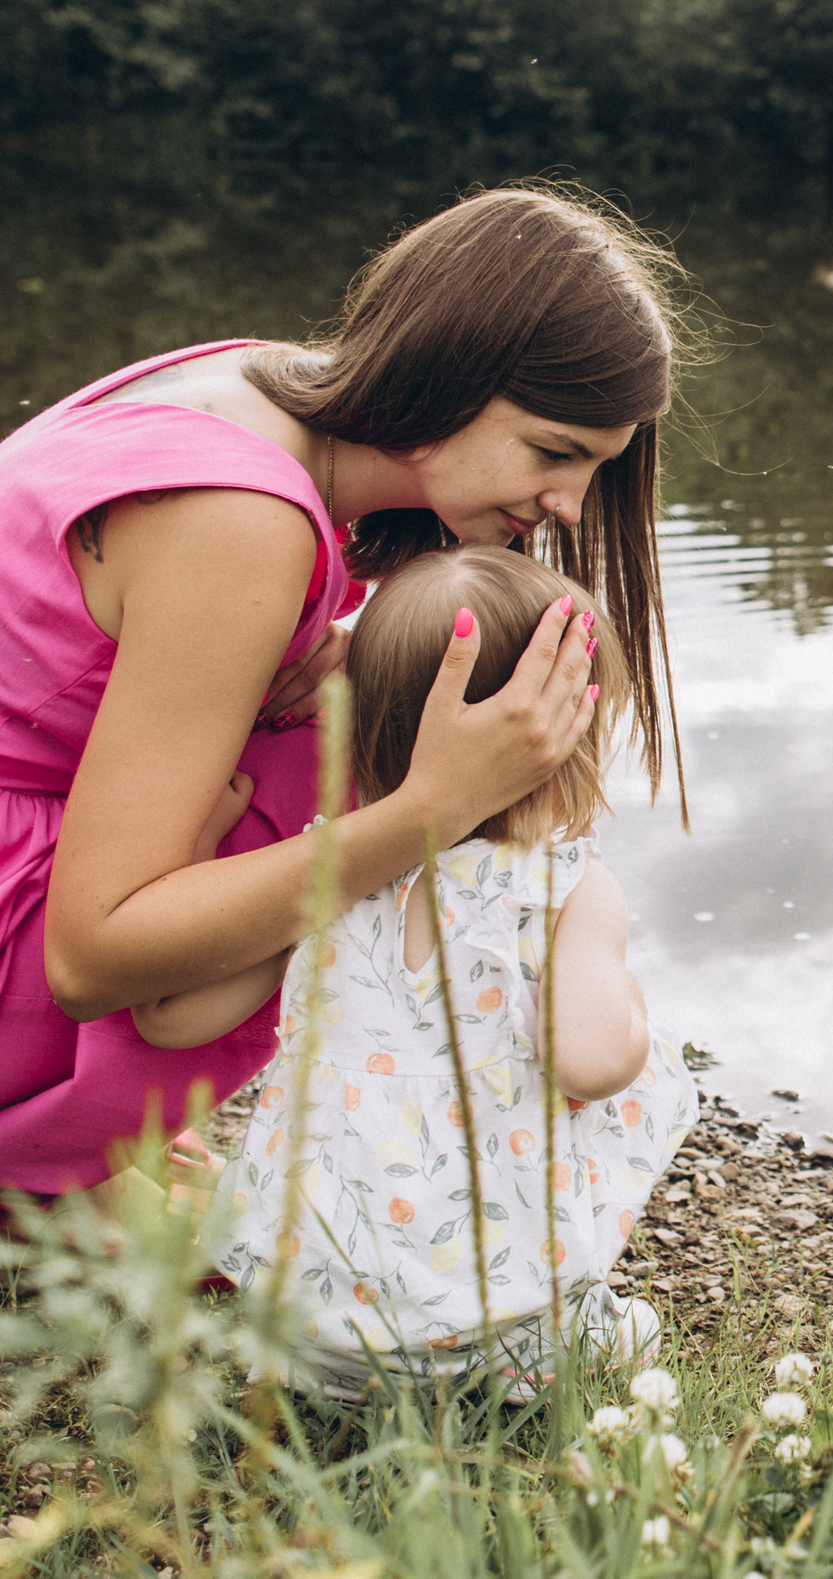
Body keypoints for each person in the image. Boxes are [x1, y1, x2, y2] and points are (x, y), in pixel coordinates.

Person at [0, 186, 684, 1238]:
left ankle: (67, 1115)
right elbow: (92, 958)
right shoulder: (238, 524)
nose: (569, 505)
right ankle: (22, 1177)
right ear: (450, 371)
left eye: (595, 467)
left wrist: (341, 647)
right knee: (376, 748)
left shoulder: (259, 387)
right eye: (554, 452)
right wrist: (425, 812)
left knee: (366, 688)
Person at [195, 546, 694, 1397]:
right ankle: (542, 1339)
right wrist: (636, 1011)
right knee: (609, 1297)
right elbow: (592, 1063)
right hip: (495, 1338)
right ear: (563, 746)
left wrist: (209, 846)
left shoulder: (325, 873)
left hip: (314, 1337)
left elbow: (178, 1017)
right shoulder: (566, 887)